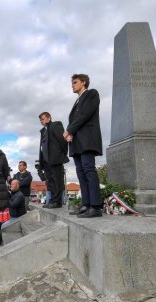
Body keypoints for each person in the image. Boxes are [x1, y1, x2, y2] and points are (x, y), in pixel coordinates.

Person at [63, 73, 103, 218]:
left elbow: (85, 114)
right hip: (76, 142)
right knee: (80, 172)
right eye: (72, 83)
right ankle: (86, 204)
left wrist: (69, 130)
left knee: (88, 170)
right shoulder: (77, 101)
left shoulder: (92, 94)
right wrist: (70, 134)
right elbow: (75, 117)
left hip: (87, 139)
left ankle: (95, 206)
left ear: (83, 82)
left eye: (75, 82)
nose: (72, 85)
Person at [39, 112, 69, 208]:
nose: (41, 121)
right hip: (46, 161)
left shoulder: (56, 125)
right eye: (40, 120)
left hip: (55, 159)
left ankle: (57, 201)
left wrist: (61, 154)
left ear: (49, 118)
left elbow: (63, 140)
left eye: (43, 119)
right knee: (50, 181)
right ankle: (52, 200)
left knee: (57, 180)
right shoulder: (43, 131)